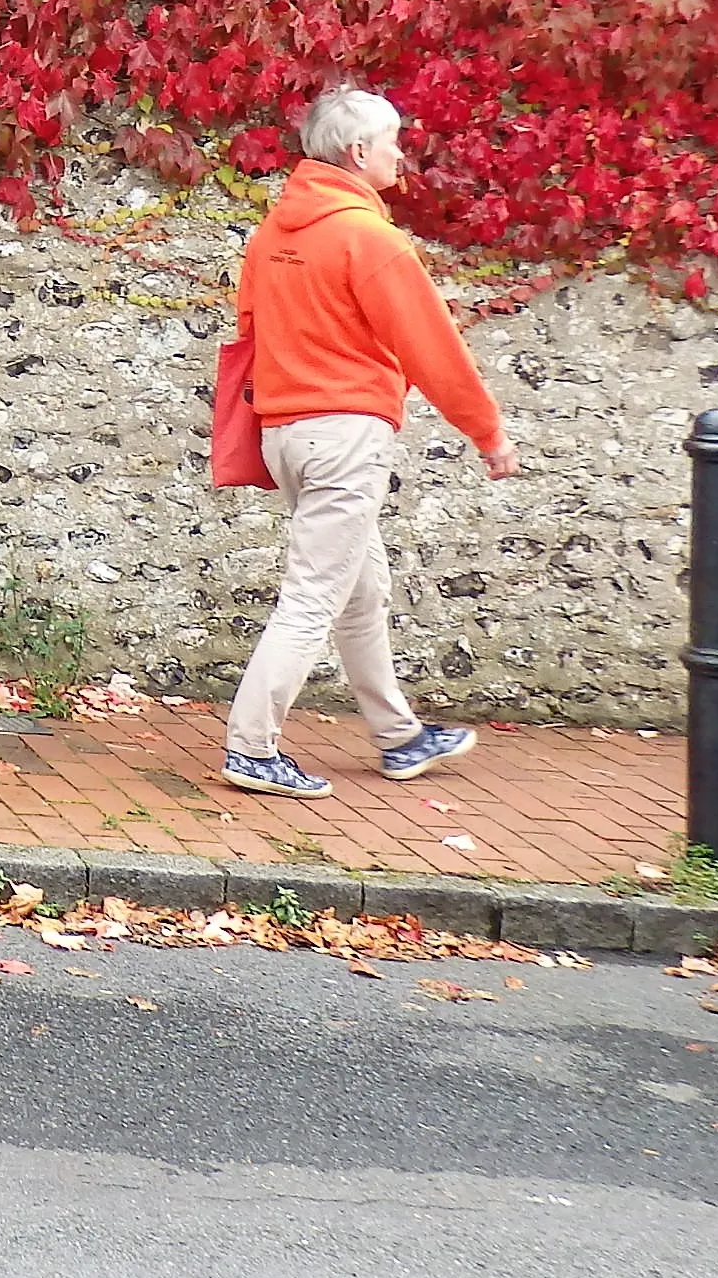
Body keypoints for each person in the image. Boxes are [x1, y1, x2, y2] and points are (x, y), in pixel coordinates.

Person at [222, 83, 518, 797]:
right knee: (312, 598)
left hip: (287, 434)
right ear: (358, 152)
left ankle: (399, 737)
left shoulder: (273, 235)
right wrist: (488, 433)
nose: (400, 153)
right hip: (346, 436)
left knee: (361, 589)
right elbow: (432, 348)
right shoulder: (370, 238)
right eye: (393, 141)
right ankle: (250, 748)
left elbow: (250, 335)